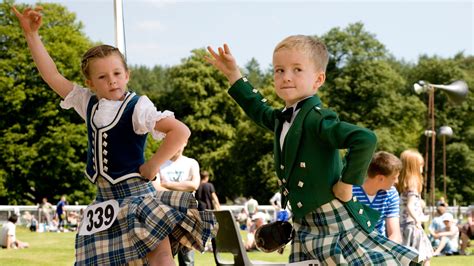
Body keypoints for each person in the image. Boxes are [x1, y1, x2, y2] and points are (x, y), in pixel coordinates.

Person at [13, 6, 216, 265]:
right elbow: (51, 75)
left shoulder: (137, 107)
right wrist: (32, 35)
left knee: (161, 257)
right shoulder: (86, 104)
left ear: (127, 75)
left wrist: (153, 164)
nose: (112, 81)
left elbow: (180, 131)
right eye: (102, 76)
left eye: (117, 74)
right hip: (104, 201)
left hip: (137, 196)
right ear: (90, 83)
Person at [206, 36, 418, 264]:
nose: (286, 76)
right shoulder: (282, 119)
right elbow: (258, 108)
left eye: (297, 69)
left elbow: (365, 138)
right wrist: (233, 75)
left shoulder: (318, 119)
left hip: (331, 219)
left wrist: (347, 184)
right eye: (279, 70)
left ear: (318, 79)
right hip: (304, 221)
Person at [153, 141, 201, 266]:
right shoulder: (160, 163)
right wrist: (183, 188)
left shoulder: (191, 163)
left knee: (187, 259)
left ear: (185, 142)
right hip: (165, 215)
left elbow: (194, 184)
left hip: (187, 214)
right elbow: (156, 187)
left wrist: (166, 184)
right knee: (166, 257)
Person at [352, 151, 403, 243]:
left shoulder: (391, 193)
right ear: (381, 178)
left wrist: (385, 251)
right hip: (354, 245)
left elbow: (395, 234)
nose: (397, 181)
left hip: (380, 245)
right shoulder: (351, 191)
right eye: (394, 177)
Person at [398, 149, 433, 265]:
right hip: (412, 225)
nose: (422, 169)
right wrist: (418, 219)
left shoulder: (403, 183)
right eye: (420, 166)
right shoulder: (413, 184)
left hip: (403, 224)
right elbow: (410, 206)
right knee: (425, 255)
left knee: (407, 257)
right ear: (414, 167)